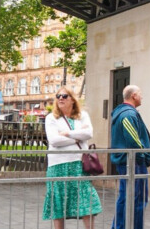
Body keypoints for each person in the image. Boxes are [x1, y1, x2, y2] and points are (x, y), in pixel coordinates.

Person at [42, 87, 102, 228]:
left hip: (79, 164)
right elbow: (54, 140)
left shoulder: (83, 115)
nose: (60, 98)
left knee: (86, 201)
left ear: (72, 100)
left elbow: (88, 134)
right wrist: (77, 137)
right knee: (58, 202)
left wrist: (67, 133)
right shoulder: (51, 118)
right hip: (57, 165)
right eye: (58, 96)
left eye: (64, 96)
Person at [110, 85, 150, 229]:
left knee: (125, 197)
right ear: (134, 96)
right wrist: (145, 155)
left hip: (128, 161)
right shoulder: (128, 114)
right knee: (137, 200)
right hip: (134, 162)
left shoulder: (124, 112)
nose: (142, 97)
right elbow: (133, 140)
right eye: (140, 94)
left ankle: (120, 226)